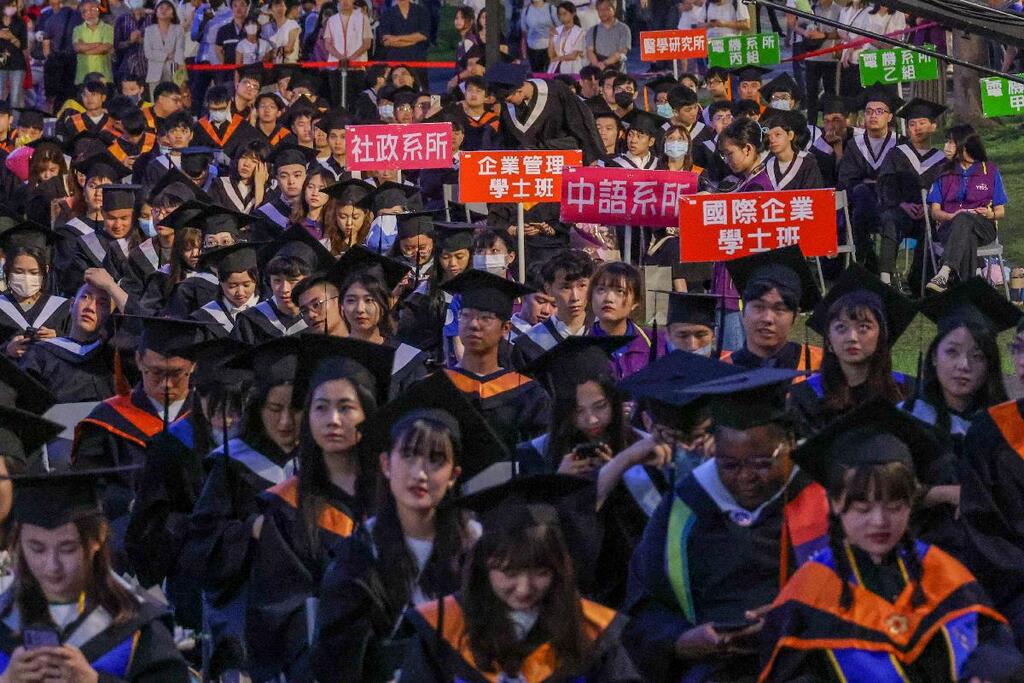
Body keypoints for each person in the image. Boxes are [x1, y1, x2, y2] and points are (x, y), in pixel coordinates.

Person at [760, 399, 1024, 681]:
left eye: (895, 506)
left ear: (911, 505)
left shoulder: (944, 575)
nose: (880, 521)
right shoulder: (809, 594)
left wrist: (986, 671)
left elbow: (995, 645)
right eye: (863, 508)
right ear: (835, 504)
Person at [623, 367, 829, 682]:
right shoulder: (686, 506)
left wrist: (792, 620)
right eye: (730, 465)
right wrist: (680, 640)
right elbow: (643, 605)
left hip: (807, 666)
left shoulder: (823, 499)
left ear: (790, 444)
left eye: (762, 463)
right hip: (711, 670)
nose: (746, 477)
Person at [311, 372, 503, 683]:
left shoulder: (475, 550)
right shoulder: (359, 555)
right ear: (386, 465)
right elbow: (336, 661)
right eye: (409, 455)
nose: (420, 473)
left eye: (436, 459)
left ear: (454, 475)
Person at [244, 337, 393, 681]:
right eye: (321, 407)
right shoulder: (288, 506)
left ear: (368, 413)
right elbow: (278, 608)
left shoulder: (393, 496)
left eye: (346, 407)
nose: (333, 420)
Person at [400, 475, 642, 682]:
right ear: (484, 567)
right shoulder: (445, 626)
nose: (524, 589)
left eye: (541, 572)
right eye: (510, 573)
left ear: (559, 570)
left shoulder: (590, 628)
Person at [0, 467, 191, 681]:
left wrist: (94, 680)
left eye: (67, 548)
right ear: (18, 542)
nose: (52, 565)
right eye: (37, 548)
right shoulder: (4, 614)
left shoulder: (137, 621)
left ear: (98, 538)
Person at [71, 316, 207, 554]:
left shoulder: (208, 419)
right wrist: (132, 503)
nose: (166, 384)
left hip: (200, 536)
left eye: (176, 373)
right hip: (128, 535)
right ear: (138, 360)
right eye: (156, 372)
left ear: (193, 365)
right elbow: (87, 488)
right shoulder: (107, 420)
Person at [788, 264, 917, 435]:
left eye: (864, 327)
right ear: (828, 340)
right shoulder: (807, 396)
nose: (852, 337)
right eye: (841, 328)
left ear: (881, 336)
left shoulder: (907, 390)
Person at [442, 269, 552, 452]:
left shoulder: (529, 396)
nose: (474, 324)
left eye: (485, 318)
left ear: (506, 328)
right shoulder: (438, 388)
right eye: (466, 315)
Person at [876, 98, 947, 291]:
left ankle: (919, 279)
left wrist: (930, 208)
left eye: (922, 123)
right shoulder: (896, 154)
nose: (917, 128)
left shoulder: (942, 160)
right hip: (901, 212)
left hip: (929, 214)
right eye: (912, 124)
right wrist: (902, 204)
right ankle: (885, 279)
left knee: (934, 227)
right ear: (907, 129)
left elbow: (947, 190)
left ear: (933, 126)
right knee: (890, 220)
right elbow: (886, 185)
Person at [926, 130, 1008, 294]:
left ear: (965, 147)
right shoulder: (943, 171)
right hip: (949, 228)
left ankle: (945, 271)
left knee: (965, 218)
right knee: (966, 232)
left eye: (951, 142)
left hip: (983, 227)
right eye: (947, 141)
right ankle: (971, 293)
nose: (946, 146)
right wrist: (951, 216)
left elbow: (1000, 211)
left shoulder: (989, 170)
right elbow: (935, 212)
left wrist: (990, 214)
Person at [723, 245, 823, 373]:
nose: (767, 318)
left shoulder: (821, 367)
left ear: (795, 316)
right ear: (743, 310)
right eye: (759, 307)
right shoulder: (721, 371)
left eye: (779, 309)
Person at [485, 61, 604, 165]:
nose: (507, 103)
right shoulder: (509, 104)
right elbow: (507, 139)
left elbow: (582, 127)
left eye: (508, 99)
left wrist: (592, 156)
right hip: (529, 165)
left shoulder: (557, 92)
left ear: (519, 91)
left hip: (561, 159)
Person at [18, 280, 116, 404]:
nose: (90, 307)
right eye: (85, 297)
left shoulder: (112, 360)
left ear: (111, 316)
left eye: (102, 304)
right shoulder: (40, 353)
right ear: (71, 305)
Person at [232, 225, 332, 343]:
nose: (284, 289)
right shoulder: (250, 321)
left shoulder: (324, 321)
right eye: (277, 280)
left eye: (293, 281)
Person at [838, 85, 900, 272]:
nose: (873, 116)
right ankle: (867, 260)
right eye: (869, 111)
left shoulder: (899, 144)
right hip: (861, 204)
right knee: (861, 193)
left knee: (863, 196)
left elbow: (902, 181)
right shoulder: (854, 145)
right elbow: (847, 180)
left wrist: (872, 182)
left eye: (880, 111)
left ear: (890, 117)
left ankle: (863, 261)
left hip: (891, 205)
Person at [512, 249, 595, 367]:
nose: (575, 297)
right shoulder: (529, 345)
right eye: (566, 287)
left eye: (582, 285)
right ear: (548, 288)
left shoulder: (603, 333)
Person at [0, 223, 70, 358]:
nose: (26, 278)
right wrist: (6, 351)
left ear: (46, 271)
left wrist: (59, 338)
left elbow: (80, 348)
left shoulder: (64, 309)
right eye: (18, 271)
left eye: (33, 272)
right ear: (7, 270)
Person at [190, 243, 261, 338]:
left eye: (246, 285)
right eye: (232, 286)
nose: (240, 292)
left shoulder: (269, 310)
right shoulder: (206, 318)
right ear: (220, 282)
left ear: (256, 281)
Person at [762, 109, 824, 191]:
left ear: (790, 135)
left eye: (778, 134)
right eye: (768, 136)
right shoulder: (767, 166)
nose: (772, 140)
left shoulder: (808, 164)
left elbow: (814, 195)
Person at [143, 1, 185, 96]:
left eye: (168, 8)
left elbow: (179, 54)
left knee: (173, 100)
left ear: (173, 14)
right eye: (161, 8)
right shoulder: (149, 30)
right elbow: (148, 53)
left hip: (173, 73)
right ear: (156, 12)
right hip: (154, 74)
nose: (164, 10)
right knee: (156, 102)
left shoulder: (178, 29)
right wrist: (167, 55)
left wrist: (179, 78)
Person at [71, 0, 113, 84]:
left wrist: (84, 50)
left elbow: (105, 48)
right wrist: (98, 44)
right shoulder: (77, 30)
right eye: (85, 11)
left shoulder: (108, 28)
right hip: (83, 76)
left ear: (98, 11)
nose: (89, 13)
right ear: (82, 15)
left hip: (104, 76)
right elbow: (77, 47)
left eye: (92, 9)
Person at [0, 0, 27, 108]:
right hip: (1, 63)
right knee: (0, 95)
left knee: (15, 98)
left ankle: (14, 118)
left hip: (17, 64)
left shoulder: (20, 23)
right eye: (10, 5)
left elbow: (23, 45)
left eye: (14, 6)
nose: (12, 8)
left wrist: (11, 37)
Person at [548, 1, 584, 74]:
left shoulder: (580, 32)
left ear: (573, 14)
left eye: (564, 13)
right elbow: (551, 55)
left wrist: (558, 58)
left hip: (573, 68)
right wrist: (551, 38)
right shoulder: (557, 30)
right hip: (556, 67)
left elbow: (573, 56)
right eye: (560, 14)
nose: (561, 17)